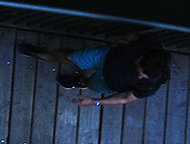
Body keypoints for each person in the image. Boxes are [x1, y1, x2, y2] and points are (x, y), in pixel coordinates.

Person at [17, 32, 171, 108]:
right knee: (71, 56)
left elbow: (125, 98)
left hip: (107, 82)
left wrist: (94, 101)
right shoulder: (151, 44)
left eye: (141, 75)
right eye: (138, 68)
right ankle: (42, 55)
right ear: (142, 55)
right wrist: (117, 38)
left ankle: (81, 81)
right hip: (106, 56)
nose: (138, 74)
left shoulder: (150, 86)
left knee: (92, 84)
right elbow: (134, 37)